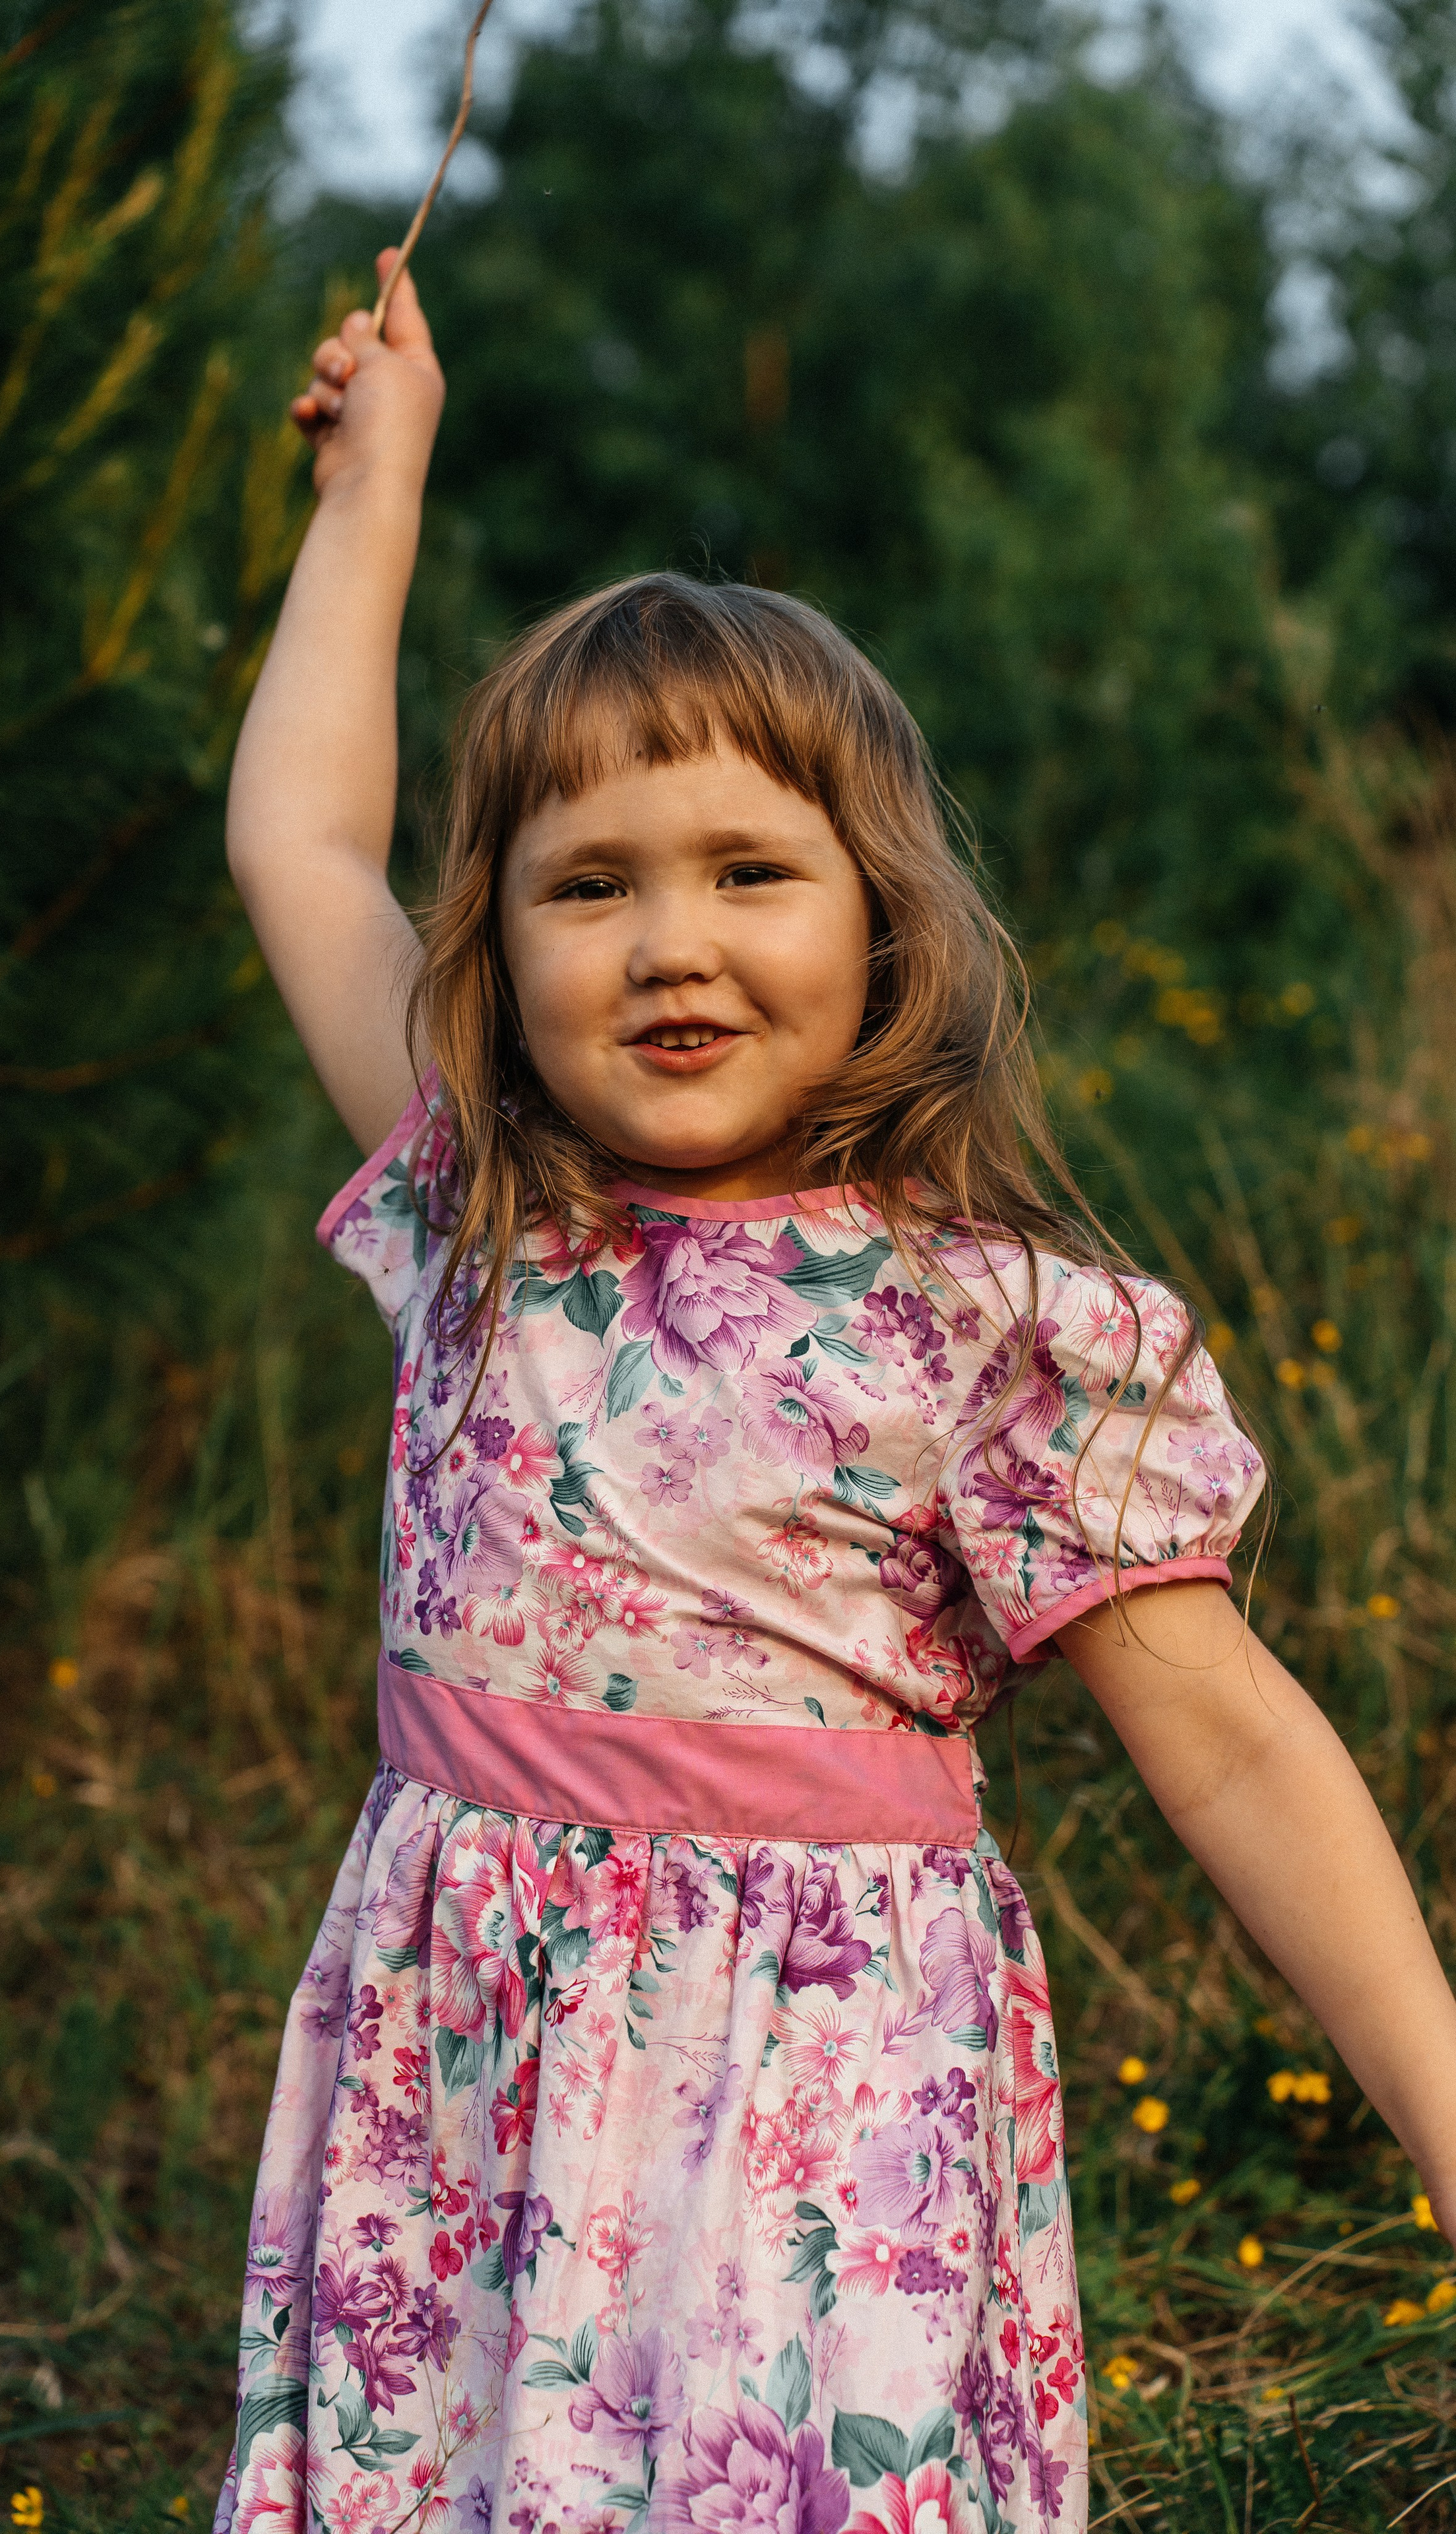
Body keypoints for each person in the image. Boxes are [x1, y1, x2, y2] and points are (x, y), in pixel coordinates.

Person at [211, 251, 1456, 2534]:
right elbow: (297, 839)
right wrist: (377, 485)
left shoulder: (979, 1328)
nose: (669, 942)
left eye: (750, 873)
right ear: (501, 945)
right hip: (467, 2091)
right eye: (588, 885)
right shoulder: (491, 1203)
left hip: (804, 2118)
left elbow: (1232, 1740)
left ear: (881, 920)